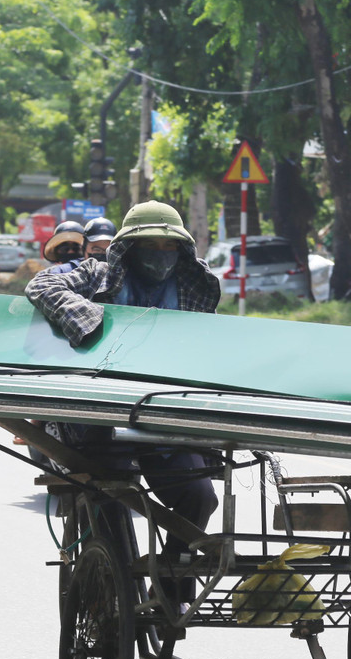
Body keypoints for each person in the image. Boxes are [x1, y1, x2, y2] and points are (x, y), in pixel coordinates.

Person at [25, 201, 222, 598]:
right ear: (129, 248)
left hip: (163, 416)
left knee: (200, 496)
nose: (162, 255)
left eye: (169, 247)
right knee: (110, 493)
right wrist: (86, 318)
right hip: (100, 416)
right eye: (151, 245)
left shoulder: (191, 287)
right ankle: (110, 596)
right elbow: (42, 286)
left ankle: (170, 585)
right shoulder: (97, 274)